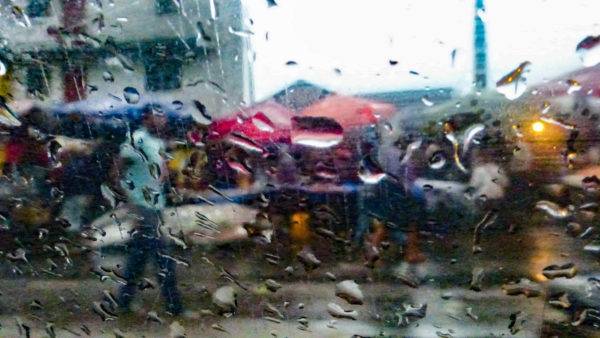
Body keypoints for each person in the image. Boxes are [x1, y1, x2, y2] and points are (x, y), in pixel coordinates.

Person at [112, 106, 182, 315]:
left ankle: (124, 302)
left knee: (138, 258)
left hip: (155, 206)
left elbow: (159, 174)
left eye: (164, 116)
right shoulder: (138, 139)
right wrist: (130, 201)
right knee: (163, 256)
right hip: (143, 208)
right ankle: (174, 307)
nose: (162, 120)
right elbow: (116, 172)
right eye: (157, 115)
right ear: (146, 118)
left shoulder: (158, 143)